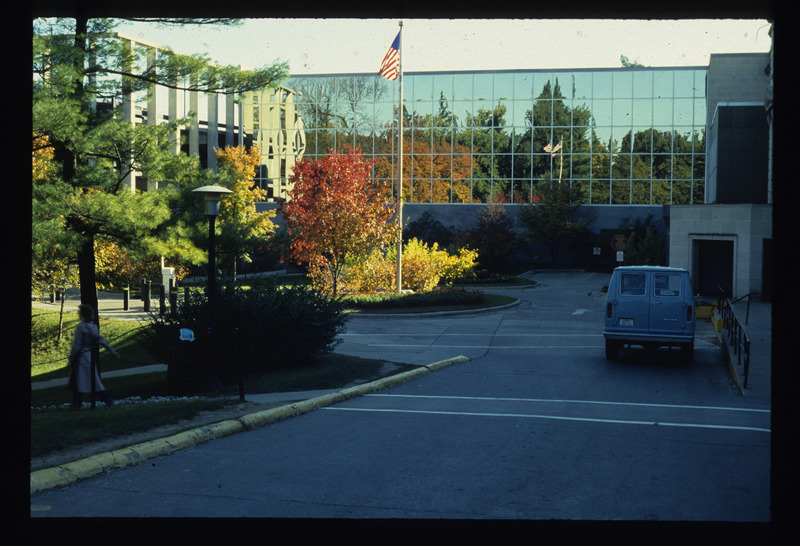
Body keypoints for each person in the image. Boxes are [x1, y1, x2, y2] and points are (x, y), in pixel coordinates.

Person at [68, 304, 119, 408]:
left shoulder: (81, 327)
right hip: (89, 356)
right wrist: (111, 351)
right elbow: (101, 339)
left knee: (76, 383)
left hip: (81, 358)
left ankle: (77, 405)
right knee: (93, 382)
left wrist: (71, 359)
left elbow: (76, 344)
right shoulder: (93, 327)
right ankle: (106, 400)